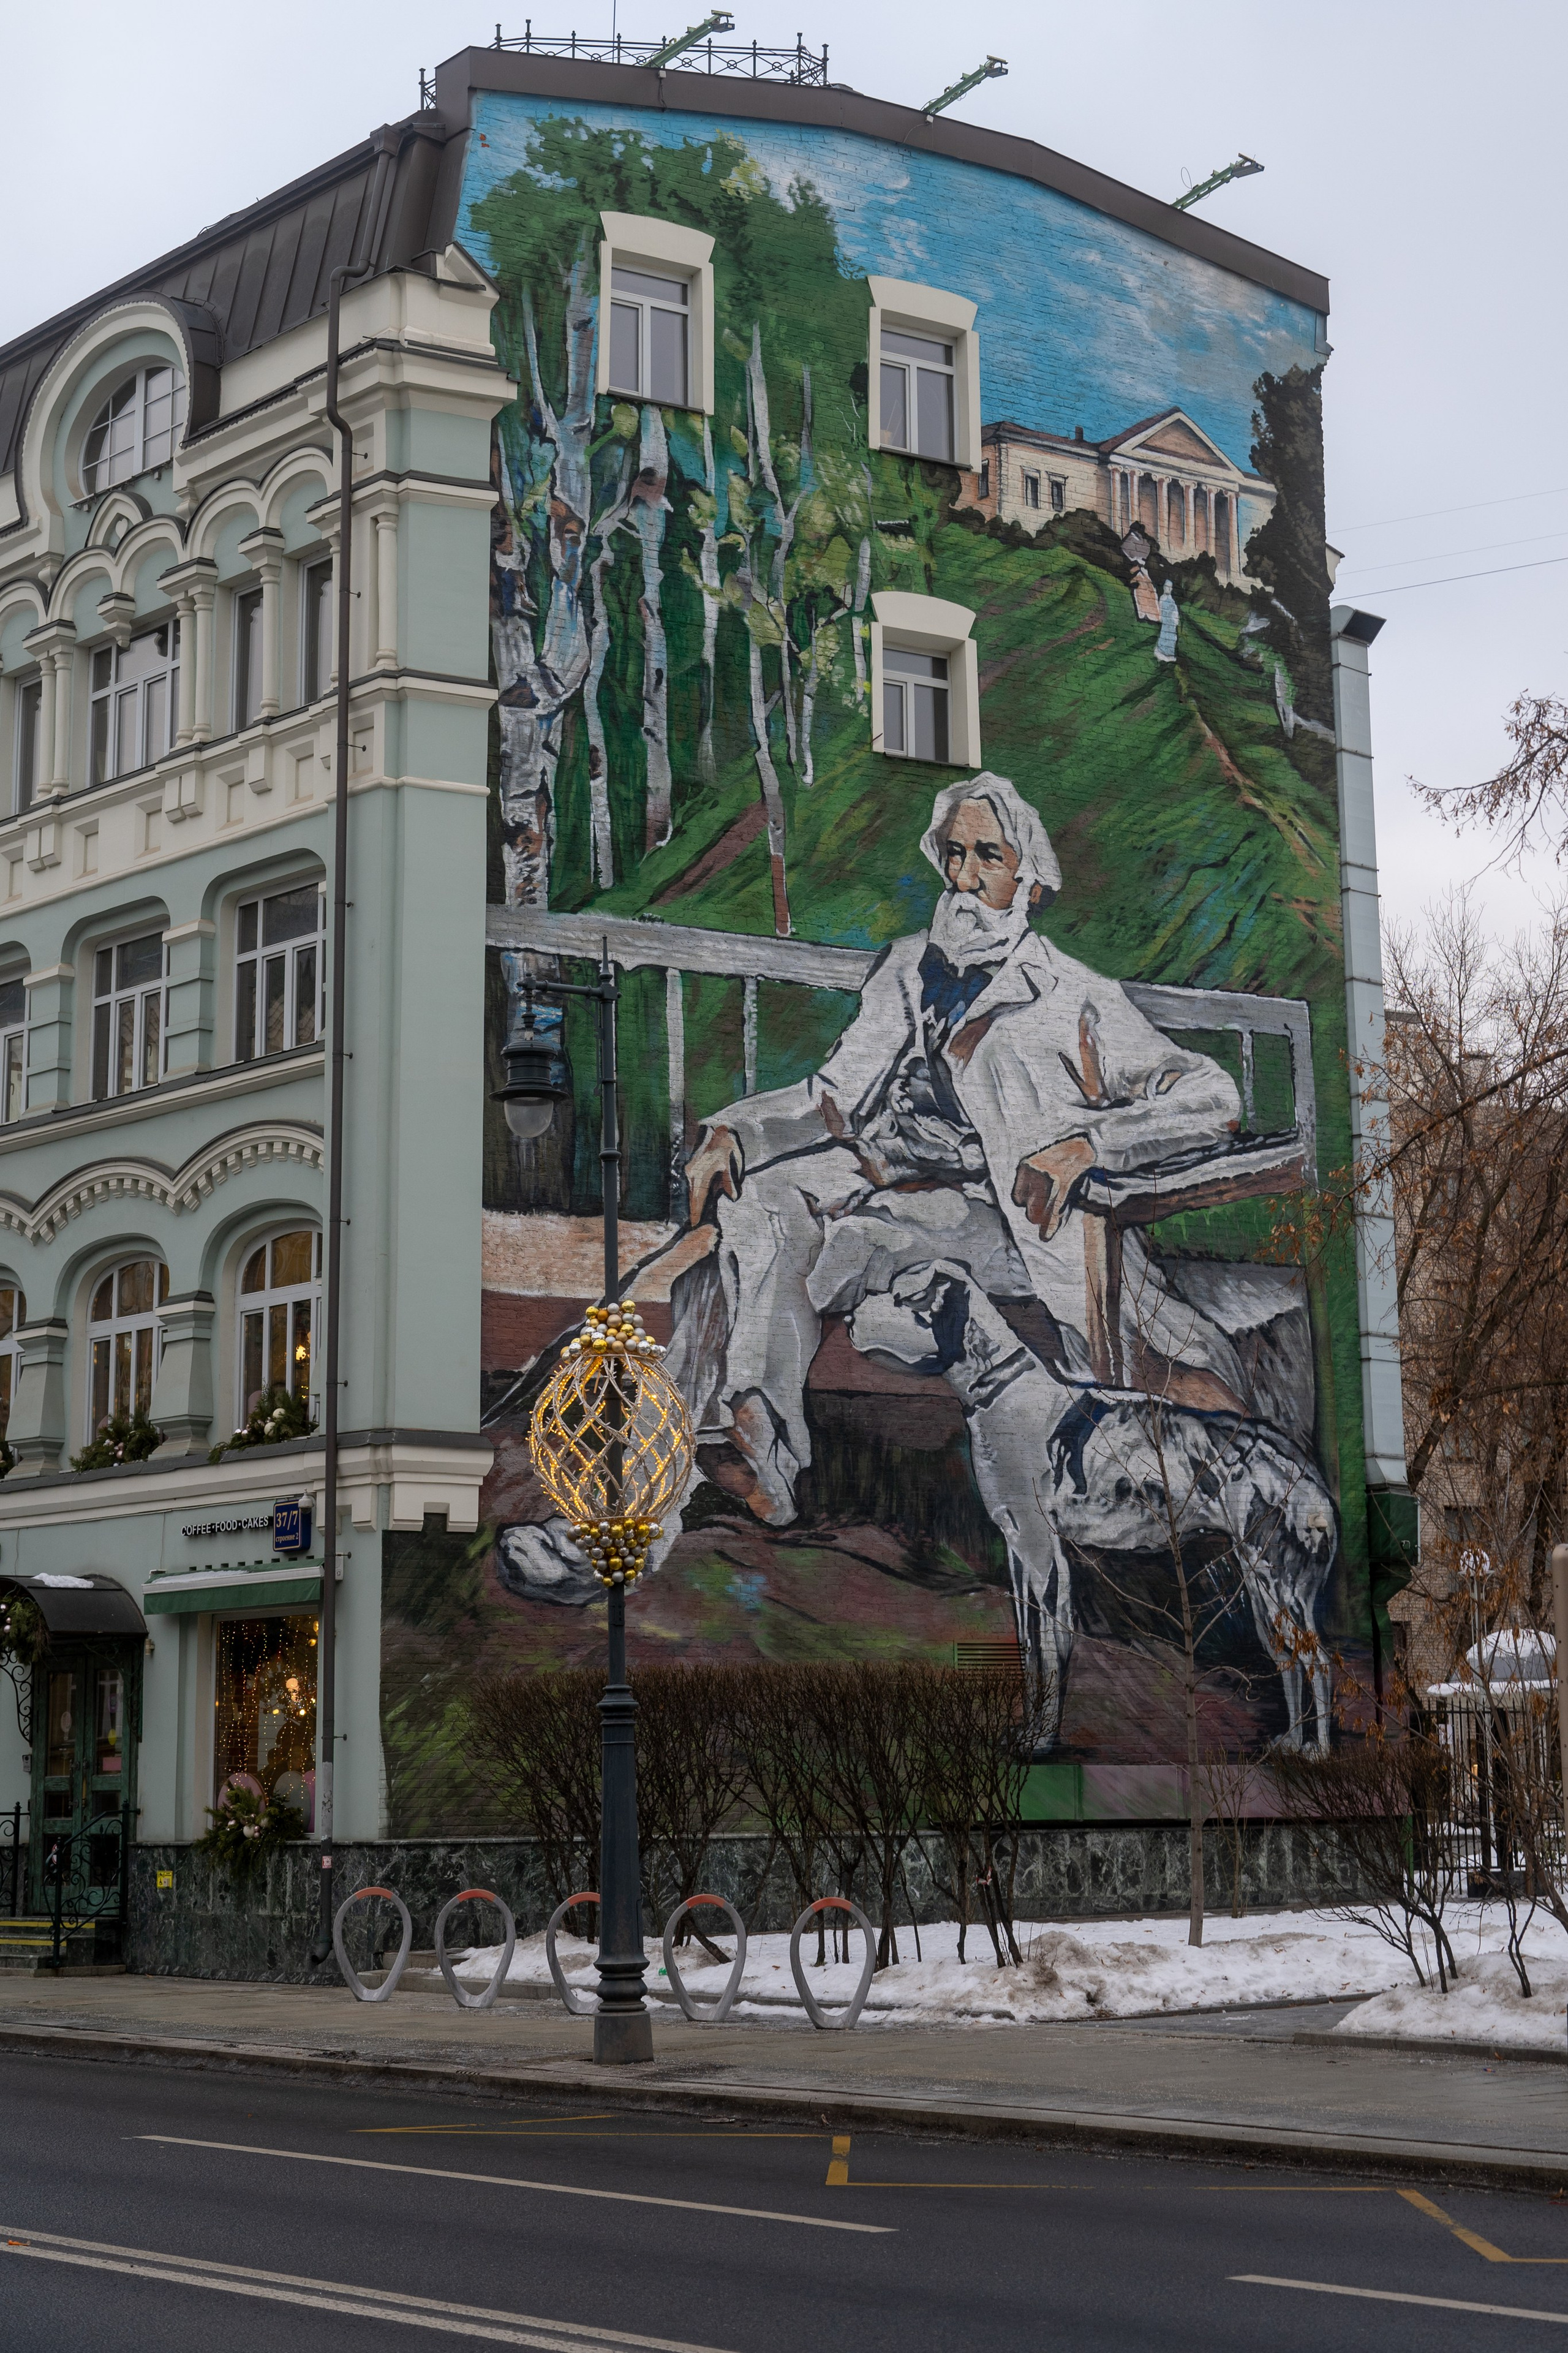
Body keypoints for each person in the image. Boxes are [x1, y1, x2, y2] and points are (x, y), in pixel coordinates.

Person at [671, 774, 1247, 1528]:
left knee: (854, 1239)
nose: (966, 876)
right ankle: (758, 1440)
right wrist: (732, 1133)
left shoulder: (1073, 995)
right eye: (954, 853)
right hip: (888, 1174)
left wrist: (1089, 1145)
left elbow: (1213, 1096)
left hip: (999, 1218)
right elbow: (830, 1095)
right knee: (762, 1206)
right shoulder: (908, 967)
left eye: (988, 856)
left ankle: (752, 1434)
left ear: (1027, 877)